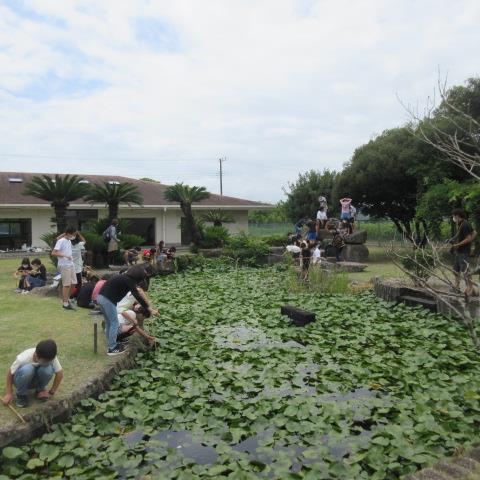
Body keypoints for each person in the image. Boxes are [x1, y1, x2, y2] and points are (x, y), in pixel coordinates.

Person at [97, 266, 158, 356]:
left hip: (101, 298)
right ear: (137, 276)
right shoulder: (128, 280)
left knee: (109, 322)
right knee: (114, 323)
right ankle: (112, 348)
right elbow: (137, 296)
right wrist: (148, 308)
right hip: (108, 300)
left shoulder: (123, 277)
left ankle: (111, 343)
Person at [2, 339, 63, 408]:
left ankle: (40, 390)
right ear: (36, 356)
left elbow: (59, 373)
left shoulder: (50, 357)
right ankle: (21, 395)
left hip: (34, 382)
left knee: (48, 369)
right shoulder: (23, 358)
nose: (47, 363)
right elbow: (10, 373)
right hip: (20, 380)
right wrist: (9, 393)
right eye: (44, 361)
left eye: (49, 361)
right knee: (28, 369)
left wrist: (51, 392)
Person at [451, 209, 477, 293]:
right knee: (455, 269)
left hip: (463, 251)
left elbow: (468, 238)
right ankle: (456, 286)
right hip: (459, 251)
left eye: (454, 216)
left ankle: (471, 288)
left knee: (465, 270)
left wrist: (457, 245)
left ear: (458, 216)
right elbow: (475, 232)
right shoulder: (461, 224)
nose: (453, 218)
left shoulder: (465, 225)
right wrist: (452, 239)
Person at [52, 226, 77, 310]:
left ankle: (66, 299)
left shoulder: (68, 240)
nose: (74, 236)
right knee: (66, 284)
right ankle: (65, 303)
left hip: (71, 264)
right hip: (64, 265)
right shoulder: (61, 241)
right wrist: (65, 255)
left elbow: (58, 237)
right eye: (73, 234)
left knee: (74, 283)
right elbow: (54, 253)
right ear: (69, 234)